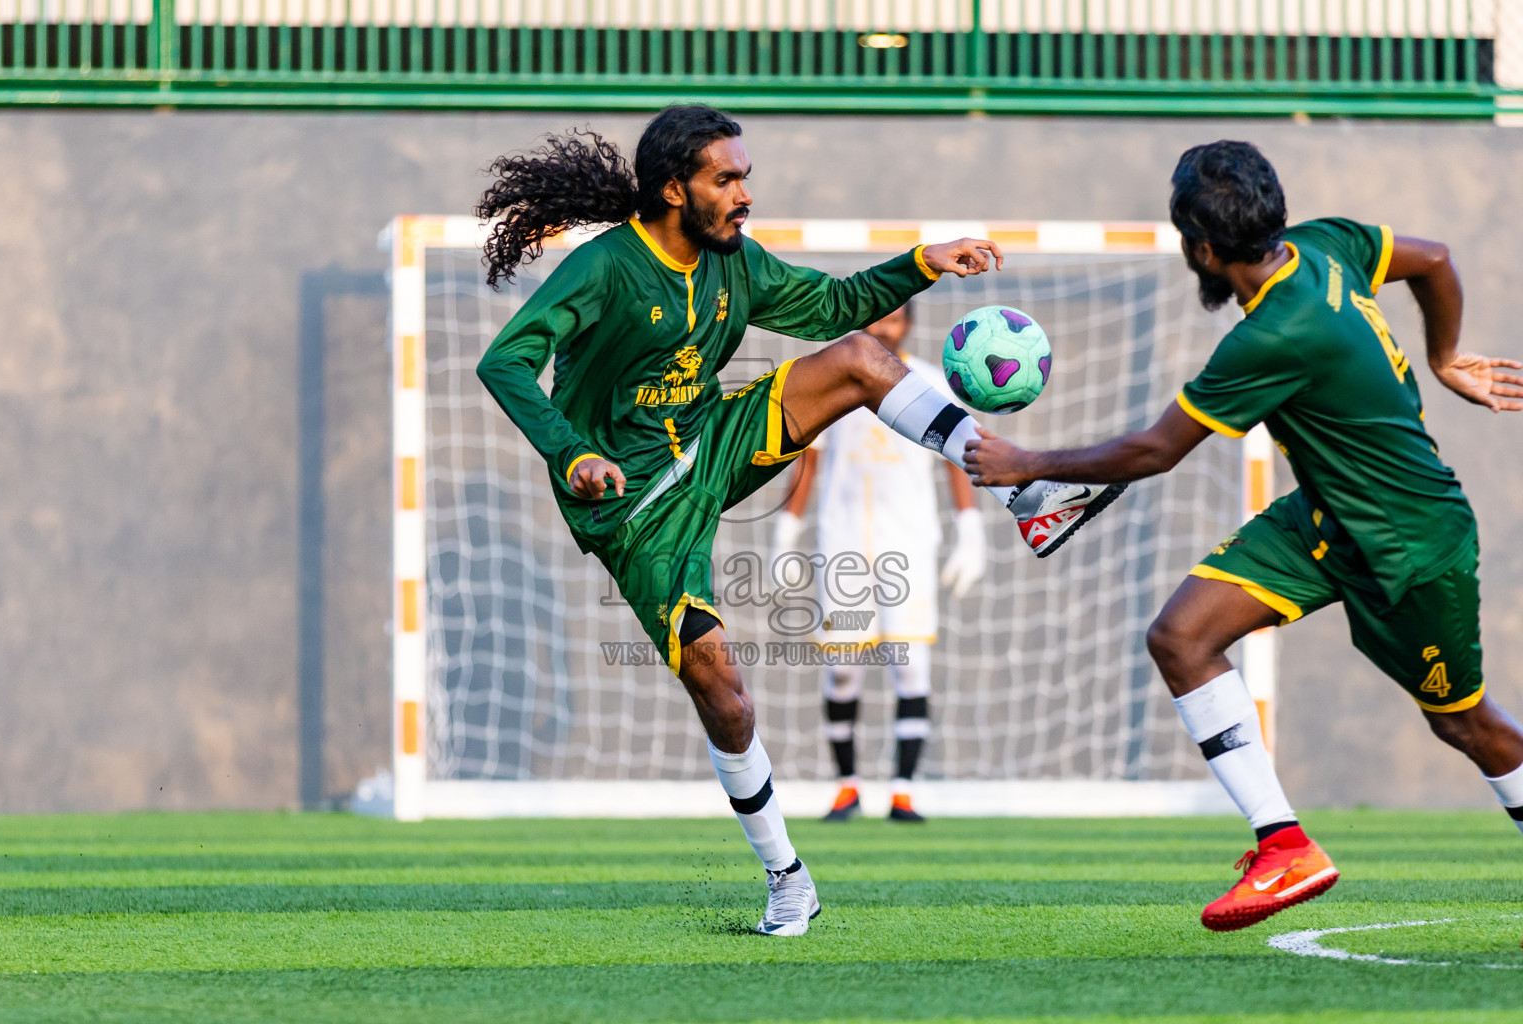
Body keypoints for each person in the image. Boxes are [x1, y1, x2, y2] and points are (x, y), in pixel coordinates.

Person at [474, 104, 1123, 936]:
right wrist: (571, 454)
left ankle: (1021, 491)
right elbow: (508, 361)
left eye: (746, 174)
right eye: (727, 178)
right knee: (727, 697)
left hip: (713, 444)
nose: (745, 192)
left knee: (856, 356)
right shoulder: (604, 270)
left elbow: (837, 306)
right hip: (633, 507)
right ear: (674, 189)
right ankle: (788, 877)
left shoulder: (734, 263)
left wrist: (923, 262)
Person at [963, 139, 1523, 932]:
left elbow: (1156, 451)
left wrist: (1030, 461)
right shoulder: (1330, 244)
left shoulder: (1273, 337)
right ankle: (1284, 846)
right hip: (1326, 517)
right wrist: (1447, 357)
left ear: (1200, 248)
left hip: (1408, 546)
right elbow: (1434, 259)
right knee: (1182, 637)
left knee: (1466, 723)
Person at [772, 301, 986, 823]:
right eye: (877, 316)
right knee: (842, 670)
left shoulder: (932, 380)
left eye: (895, 317)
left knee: (909, 666)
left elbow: (959, 453)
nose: (885, 325)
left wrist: (970, 529)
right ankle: (847, 787)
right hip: (842, 544)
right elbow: (808, 457)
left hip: (909, 542)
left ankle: (903, 792)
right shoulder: (836, 378)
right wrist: (786, 532)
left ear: (908, 323)